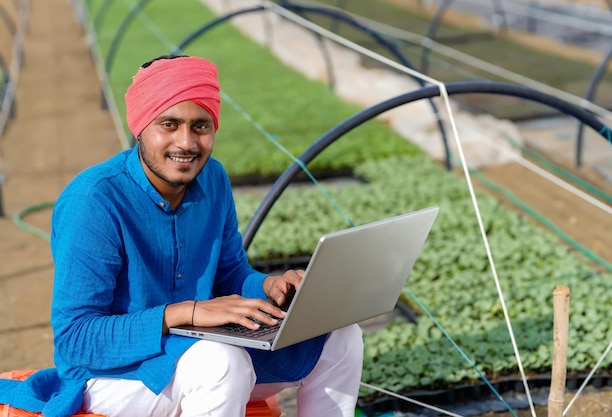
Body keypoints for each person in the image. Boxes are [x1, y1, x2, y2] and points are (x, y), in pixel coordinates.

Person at [0, 55, 363, 417]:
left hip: (204, 354)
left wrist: (269, 287)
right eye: (169, 124)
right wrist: (183, 313)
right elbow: (77, 339)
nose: (186, 142)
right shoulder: (94, 201)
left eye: (201, 126)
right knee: (222, 362)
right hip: (114, 374)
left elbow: (230, 275)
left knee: (340, 336)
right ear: (141, 126)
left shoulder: (213, 179)